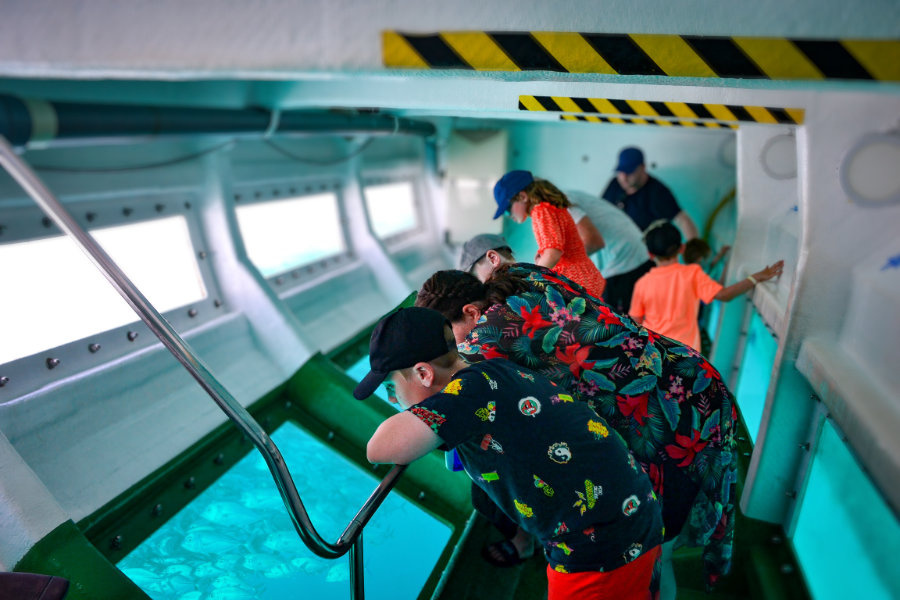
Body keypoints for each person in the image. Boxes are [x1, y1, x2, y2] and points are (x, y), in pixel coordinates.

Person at [415, 265, 738, 591]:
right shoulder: (522, 277)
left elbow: (453, 396)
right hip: (686, 375)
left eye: (448, 335)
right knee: (659, 542)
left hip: (668, 420)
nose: (453, 347)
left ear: (471, 312)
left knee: (656, 550)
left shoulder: (485, 337)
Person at [357, 307, 663, 600]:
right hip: (625, 510)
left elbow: (378, 448)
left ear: (423, 373)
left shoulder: (464, 397)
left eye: (391, 387)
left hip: (598, 544)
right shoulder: (489, 369)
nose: (394, 399)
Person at [630, 221, 783, 352]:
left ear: (650, 254)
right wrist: (755, 278)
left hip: (655, 352)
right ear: (682, 248)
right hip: (687, 356)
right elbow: (725, 295)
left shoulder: (642, 284)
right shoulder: (692, 273)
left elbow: (635, 324)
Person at [493, 170, 606, 299]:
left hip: (576, 281)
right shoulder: (548, 208)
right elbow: (552, 249)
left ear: (523, 197)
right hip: (584, 278)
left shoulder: (541, 210)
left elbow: (553, 253)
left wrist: (531, 279)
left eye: (508, 210)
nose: (508, 216)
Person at [566, 190, 656, 314]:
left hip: (624, 261)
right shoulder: (566, 198)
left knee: (621, 324)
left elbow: (593, 242)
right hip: (632, 256)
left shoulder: (560, 202)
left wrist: (563, 265)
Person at [601, 147, 698, 241]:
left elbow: (682, 220)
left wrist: (693, 248)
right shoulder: (615, 184)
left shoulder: (657, 192)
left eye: (629, 172)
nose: (623, 178)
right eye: (620, 172)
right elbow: (600, 211)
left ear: (642, 167)